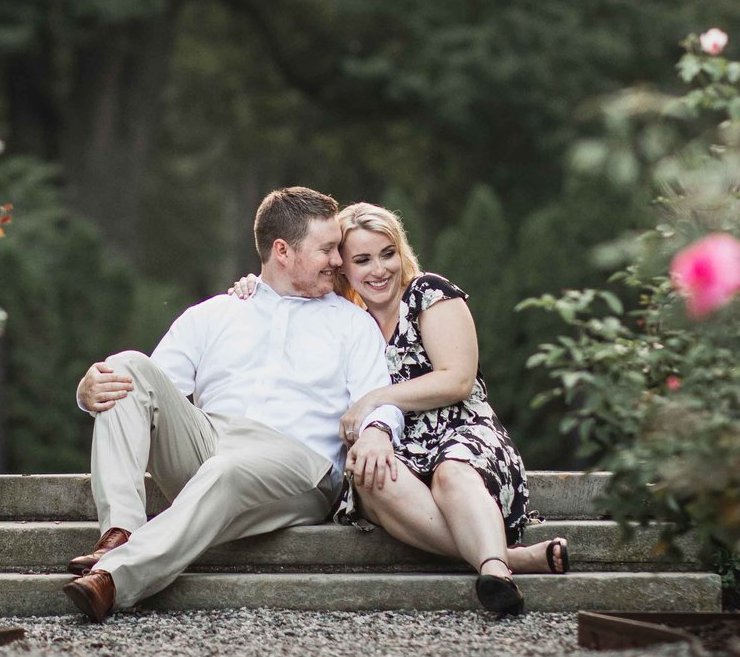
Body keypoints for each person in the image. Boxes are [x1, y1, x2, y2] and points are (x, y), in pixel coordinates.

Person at [61, 186, 404, 622]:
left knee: (227, 469)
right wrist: (87, 392)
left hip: (298, 464)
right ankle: (120, 531)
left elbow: (378, 397)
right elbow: (149, 390)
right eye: (327, 250)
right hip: (210, 442)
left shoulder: (352, 323)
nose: (337, 261)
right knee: (127, 365)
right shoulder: (216, 312)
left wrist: (377, 432)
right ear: (283, 251)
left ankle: (114, 577)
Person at [228, 201, 561, 616]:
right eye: (362, 259)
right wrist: (252, 287)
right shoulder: (349, 320)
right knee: (368, 476)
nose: (378, 270)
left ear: (400, 252)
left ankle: (495, 569)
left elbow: (457, 379)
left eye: (387, 254)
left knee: (451, 473)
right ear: (342, 267)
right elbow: (279, 296)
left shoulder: (428, 293)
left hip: (461, 431)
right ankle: (512, 557)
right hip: (396, 444)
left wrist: (374, 400)